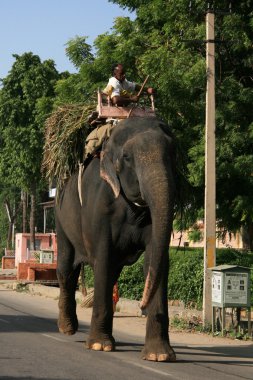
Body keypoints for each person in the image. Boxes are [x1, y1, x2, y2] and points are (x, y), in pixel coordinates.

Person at [84, 64, 154, 159]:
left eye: (124, 73)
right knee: (111, 129)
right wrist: (132, 99)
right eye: (121, 74)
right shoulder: (114, 82)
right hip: (111, 109)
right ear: (115, 74)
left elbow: (134, 86)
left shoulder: (123, 81)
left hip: (121, 110)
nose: (124, 75)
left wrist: (147, 89)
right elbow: (116, 100)